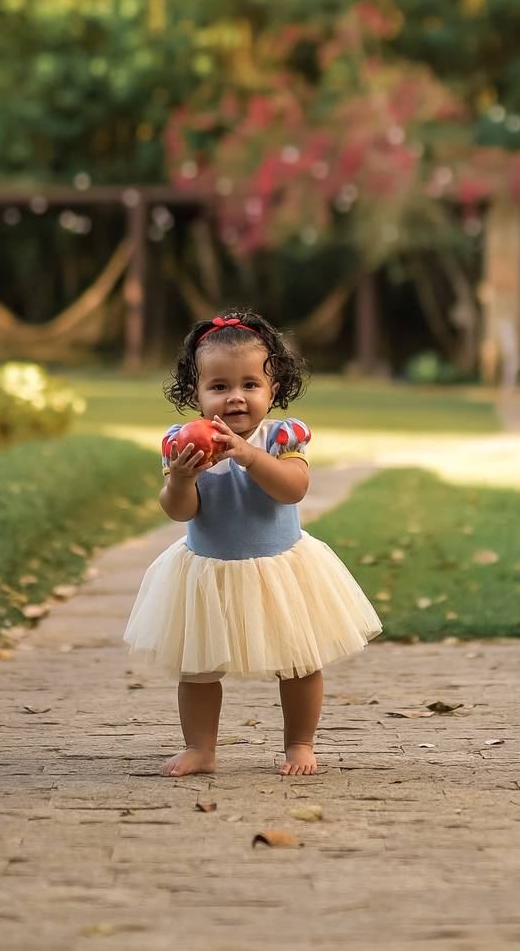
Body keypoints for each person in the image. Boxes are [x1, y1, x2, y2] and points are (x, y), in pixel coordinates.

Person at [124, 310, 381, 777]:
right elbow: (181, 511)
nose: (235, 397)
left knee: (299, 662)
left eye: (249, 385)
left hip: (280, 570)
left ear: (273, 390)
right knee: (197, 668)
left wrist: (247, 455)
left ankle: (300, 744)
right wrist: (181, 479)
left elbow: (292, 489)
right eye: (218, 387)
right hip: (207, 571)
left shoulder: (281, 437)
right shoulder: (182, 444)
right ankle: (201, 748)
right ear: (197, 394)